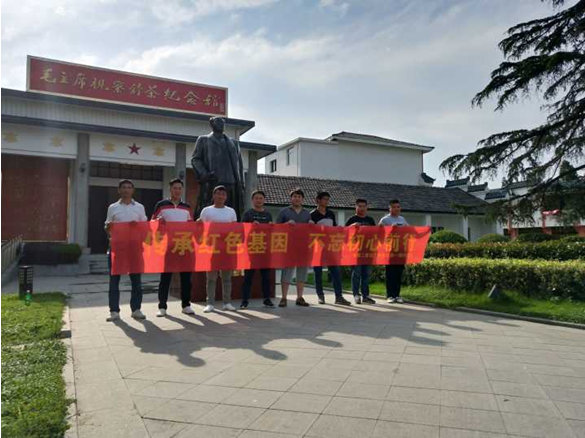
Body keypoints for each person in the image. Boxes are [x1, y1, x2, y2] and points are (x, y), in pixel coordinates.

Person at [104, 179, 147, 321]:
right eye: (123, 187)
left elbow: (145, 227)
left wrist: (137, 225)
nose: (126, 190)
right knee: (114, 281)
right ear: (119, 190)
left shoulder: (140, 207)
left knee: (136, 281)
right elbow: (107, 227)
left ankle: (136, 309)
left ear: (133, 190)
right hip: (117, 248)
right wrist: (109, 226)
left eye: (129, 187)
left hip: (134, 248)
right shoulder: (113, 207)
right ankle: (114, 311)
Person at [152, 178, 195, 317]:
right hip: (167, 246)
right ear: (170, 189)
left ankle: (186, 305)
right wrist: (157, 221)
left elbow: (191, 225)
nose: (177, 191)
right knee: (165, 278)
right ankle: (162, 306)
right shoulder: (161, 205)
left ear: (182, 190)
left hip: (184, 246)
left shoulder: (187, 207)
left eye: (179, 188)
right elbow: (152, 222)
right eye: (175, 188)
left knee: (186, 278)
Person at [199, 185, 238, 313]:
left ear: (226, 197)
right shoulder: (206, 211)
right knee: (211, 278)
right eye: (218, 193)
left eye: (223, 194)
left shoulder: (231, 211)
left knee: (227, 278)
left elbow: (234, 228)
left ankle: (227, 302)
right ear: (213, 195)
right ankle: (210, 303)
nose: (221, 196)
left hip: (226, 248)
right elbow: (200, 228)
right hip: (211, 249)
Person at [310, 191, 352, 306]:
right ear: (318, 200)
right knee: (318, 273)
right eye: (324, 199)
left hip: (330, 247)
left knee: (336, 272)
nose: (326, 201)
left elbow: (334, 228)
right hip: (318, 247)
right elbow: (310, 231)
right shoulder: (312, 215)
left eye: (327, 199)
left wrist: (338, 228)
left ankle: (339, 296)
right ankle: (320, 296)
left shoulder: (331, 213)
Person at [276, 188, 312, 307]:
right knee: (287, 272)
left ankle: (300, 297)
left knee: (302, 272)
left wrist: (312, 225)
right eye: (295, 196)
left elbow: (311, 231)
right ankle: (284, 298)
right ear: (291, 198)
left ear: (303, 199)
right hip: (288, 246)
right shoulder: (284, 211)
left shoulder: (307, 213)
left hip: (303, 247)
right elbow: (276, 228)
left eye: (299, 197)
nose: (297, 198)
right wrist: (286, 224)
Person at [240, 190, 275, 309]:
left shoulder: (268, 214)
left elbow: (272, 232)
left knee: (266, 277)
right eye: (256, 198)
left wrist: (271, 227)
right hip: (251, 250)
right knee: (248, 277)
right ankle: (244, 301)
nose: (259, 200)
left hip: (265, 250)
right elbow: (242, 230)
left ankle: (267, 299)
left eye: (261, 198)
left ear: (264, 200)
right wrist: (251, 226)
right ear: (252, 200)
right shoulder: (248, 214)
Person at [345, 198, 377, 305]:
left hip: (368, 251)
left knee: (366, 274)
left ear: (367, 207)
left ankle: (366, 296)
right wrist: (352, 226)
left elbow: (376, 234)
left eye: (364, 206)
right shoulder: (352, 219)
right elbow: (344, 233)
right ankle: (356, 295)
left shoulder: (370, 220)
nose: (362, 208)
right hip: (355, 252)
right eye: (360, 206)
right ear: (356, 207)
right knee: (357, 274)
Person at [379, 199, 408, 304]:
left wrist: (425, 230)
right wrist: (390, 229)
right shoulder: (385, 220)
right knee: (390, 274)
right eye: (394, 207)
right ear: (390, 208)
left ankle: (397, 295)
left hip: (400, 250)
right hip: (389, 251)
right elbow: (379, 233)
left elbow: (410, 230)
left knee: (399, 274)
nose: (396, 209)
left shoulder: (402, 219)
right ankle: (390, 295)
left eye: (398, 207)